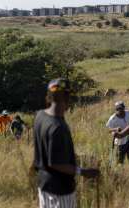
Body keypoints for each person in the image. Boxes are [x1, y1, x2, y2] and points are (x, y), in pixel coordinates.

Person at [33, 78, 100, 208]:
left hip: (44, 185)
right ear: (67, 98)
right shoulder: (57, 127)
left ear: (49, 96)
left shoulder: (40, 116)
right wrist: (84, 172)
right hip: (59, 191)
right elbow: (56, 163)